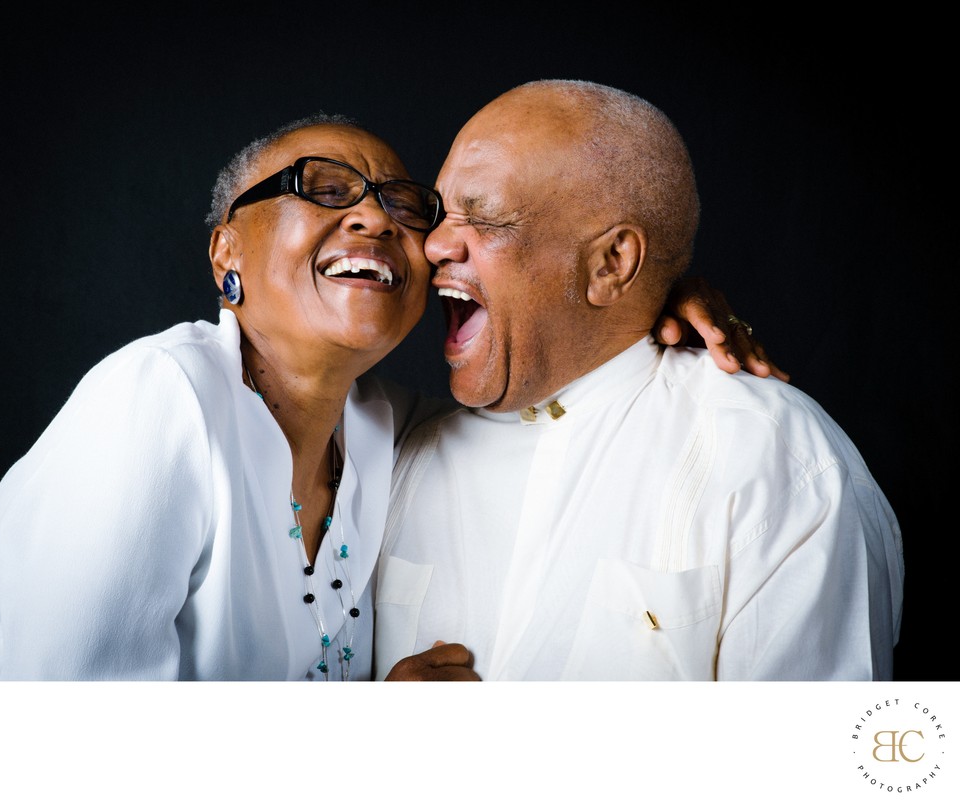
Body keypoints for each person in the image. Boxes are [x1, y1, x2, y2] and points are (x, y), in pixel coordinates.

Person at [0, 112, 772, 681]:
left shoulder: (386, 434)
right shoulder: (156, 400)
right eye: (324, 187)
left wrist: (639, 296)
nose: (376, 220)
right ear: (227, 253)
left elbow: (565, 334)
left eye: (403, 205)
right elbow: (67, 759)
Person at [374, 80, 904, 682]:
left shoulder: (778, 462)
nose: (435, 242)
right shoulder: (380, 452)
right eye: (440, 213)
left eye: (485, 216)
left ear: (611, 263)